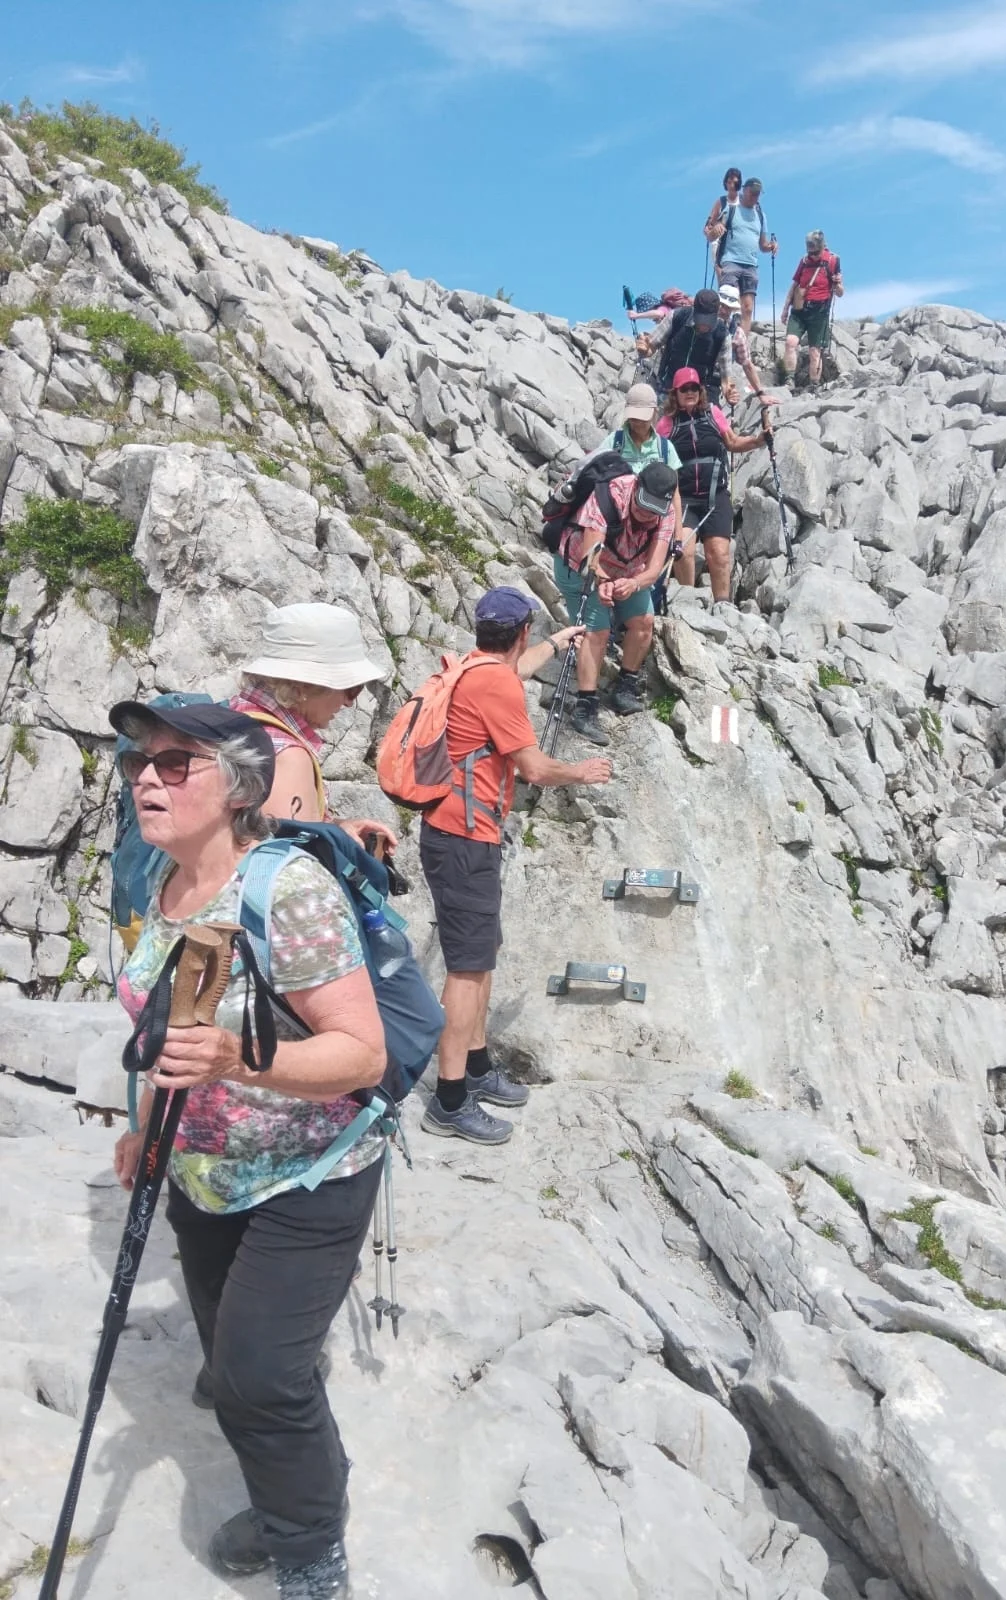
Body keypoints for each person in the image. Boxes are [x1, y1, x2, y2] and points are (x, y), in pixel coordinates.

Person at [109, 701, 385, 1600]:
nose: (148, 777)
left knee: (260, 1377)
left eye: (177, 764)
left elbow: (362, 1054)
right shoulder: (161, 876)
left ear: (238, 788)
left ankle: (310, 1555)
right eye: (141, 762)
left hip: (308, 1170)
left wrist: (241, 1058)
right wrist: (150, 1130)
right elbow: (173, 1028)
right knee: (240, 1370)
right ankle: (308, 1488)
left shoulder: (288, 891)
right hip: (202, 1171)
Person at [417, 588, 612, 1143]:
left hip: (456, 834)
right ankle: (449, 1100)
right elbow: (532, 769)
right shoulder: (495, 683)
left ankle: (475, 1069)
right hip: (466, 839)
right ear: (519, 631)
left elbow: (514, 669)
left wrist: (555, 644)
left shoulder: (473, 666)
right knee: (467, 971)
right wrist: (583, 772)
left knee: (481, 953)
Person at [232, 601, 399, 853]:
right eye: (351, 689)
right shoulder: (287, 756)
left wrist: (336, 828)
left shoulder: (236, 714)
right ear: (304, 687)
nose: (348, 703)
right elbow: (290, 867)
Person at [553, 461, 678, 743]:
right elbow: (590, 555)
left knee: (644, 622)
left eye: (654, 509)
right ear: (636, 486)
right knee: (597, 631)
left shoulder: (665, 511)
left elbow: (655, 567)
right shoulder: (609, 495)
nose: (647, 514)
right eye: (643, 504)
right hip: (578, 567)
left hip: (628, 573)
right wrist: (604, 581)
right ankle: (585, 707)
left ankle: (625, 687)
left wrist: (634, 583)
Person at [656, 367, 771, 606]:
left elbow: (732, 442)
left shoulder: (713, 413)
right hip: (683, 497)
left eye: (694, 388)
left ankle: (723, 606)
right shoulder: (666, 424)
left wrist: (758, 440)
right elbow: (656, 458)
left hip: (715, 494)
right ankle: (689, 603)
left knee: (719, 554)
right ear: (674, 394)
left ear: (700, 391)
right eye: (683, 389)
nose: (689, 392)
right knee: (684, 552)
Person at [637, 287, 734, 409]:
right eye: (701, 319)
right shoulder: (677, 317)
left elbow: (726, 379)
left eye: (708, 320)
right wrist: (644, 349)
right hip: (668, 391)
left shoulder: (722, 335)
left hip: (698, 396)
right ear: (694, 310)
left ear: (716, 313)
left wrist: (729, 393)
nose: (704, 325)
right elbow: (651, 346)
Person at [705, 176, 778, 329]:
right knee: (725, 304)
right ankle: (720, 338)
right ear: (744, 190)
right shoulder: (730, 210)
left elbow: (762, 245)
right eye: (752, 193)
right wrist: (715, 231)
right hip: (730, 261)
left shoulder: (760, 215)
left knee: (747, 308)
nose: (755, 197)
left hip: (751, 264)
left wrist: (771, 246)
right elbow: (710, 235)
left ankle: (742, 347)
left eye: (758, 194)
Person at [783, 230, 843, 388]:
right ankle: (789, 379)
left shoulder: (832, 260)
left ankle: (814, 384)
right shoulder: (804, 261)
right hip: (799, 309)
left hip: (820, 311)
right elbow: (794, 285)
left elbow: (840, 293)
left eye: (816, 252)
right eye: (811, 252)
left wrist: (837, 283)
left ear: (822, 247)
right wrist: (785, 308)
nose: (813, 255)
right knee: (790, 342)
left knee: (815, 351)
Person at [716, 282, 775, 407]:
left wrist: (760, 393)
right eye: (721, 305)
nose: (723, 310)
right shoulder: (698, 323)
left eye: (728, 307)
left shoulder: (737, 333)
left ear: (733, 309)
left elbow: (747, 365)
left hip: (716, 383)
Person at [704, 167, 742, 279]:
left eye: (734, 182)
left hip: (739, 246)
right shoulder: (721, 202)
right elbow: (707, 227)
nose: (731, 186)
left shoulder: (745, 203)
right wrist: (714, 230)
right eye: (729, 182)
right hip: (720, 246)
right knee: (724, 280)